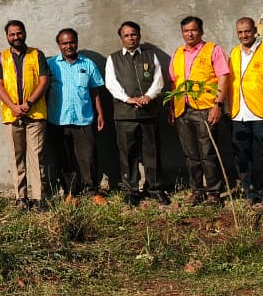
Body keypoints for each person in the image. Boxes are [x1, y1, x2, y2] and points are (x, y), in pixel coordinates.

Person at [167, 16, 231, 205]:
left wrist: (217, 105)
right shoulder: (177, 53)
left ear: (201, 31)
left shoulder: (213, 50)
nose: (190, 34)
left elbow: (223, 78)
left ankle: (213, 193)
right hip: (182, 110)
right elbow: (173, 81)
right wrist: (171, 107)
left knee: (207, 152)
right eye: (186, 31)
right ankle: (197, 191)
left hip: (205, 109)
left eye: (193, 30)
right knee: (190, 155)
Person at [104, 21, 168, 206]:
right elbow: (111, 83)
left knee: (152, 152)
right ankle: (131, 191)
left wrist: (149, 96)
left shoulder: (150, 55)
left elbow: (158, 80)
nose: (130, 38)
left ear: (139, 36)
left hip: (148, 112)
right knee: (128, 154)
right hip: (125, 115)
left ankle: (154, 188)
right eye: (126, 35)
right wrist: (127, 99)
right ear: (121, 38)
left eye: (134, 34)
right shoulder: (113, 59)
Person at [0, 20, 50, 207]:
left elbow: (44, 81)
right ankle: (21, 198)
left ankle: (39, 198)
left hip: (35, 114)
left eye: (19, 33)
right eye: (12, 34)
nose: (16, 37)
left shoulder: (36, 54)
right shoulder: (1, 57)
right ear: (7, 37)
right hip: (12, 115)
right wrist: (14, 107)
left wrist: (29, 103)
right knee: (17, 157)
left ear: (25, 33)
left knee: (36, 157)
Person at [228, 17, 263, 208]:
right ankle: (249, 192)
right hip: (239, 113)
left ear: (255, 30)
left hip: (261, 113)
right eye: (240, 32)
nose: (244, 35)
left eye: (247, 31)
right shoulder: (234, 53)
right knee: (241, 155)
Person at [45, 28, 105, 197]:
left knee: (89, 157)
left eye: (71, 42)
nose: (68, 46)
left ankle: (92, 191)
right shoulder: (51, 65)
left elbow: (95, 91)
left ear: (77, 42)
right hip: (58, 119)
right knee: (65, 158)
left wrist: (100, 114)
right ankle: (70, 192)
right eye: (64, 43)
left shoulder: (88, 64)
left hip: (83, 118)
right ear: (59, 45)